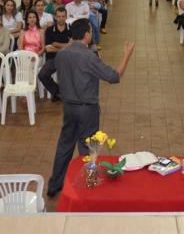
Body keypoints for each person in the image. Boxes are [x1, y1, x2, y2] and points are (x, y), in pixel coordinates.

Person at [47, 19, 134, 197]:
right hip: (87, 109)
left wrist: (58, 92)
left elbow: (43, 74)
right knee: (88, 147)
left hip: (69, 107)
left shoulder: (62, 54)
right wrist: (126, 55)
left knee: (65, 145)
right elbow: (113, 77)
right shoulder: (88, 57)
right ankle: (90, 183)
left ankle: (55, 185)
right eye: (91, 31)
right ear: (86, 34)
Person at [38, 7, 71, 101]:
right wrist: (66, 46)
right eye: (59, 16)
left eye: (63, 16)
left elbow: (73, 48)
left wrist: (56, 44)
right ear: (55, 17)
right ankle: (58, 92)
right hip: (53, 59)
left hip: (67, 59)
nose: (61, 18)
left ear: (66, 17)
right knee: (42, 75)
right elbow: (48, 49)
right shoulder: (49, 30)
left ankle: (66, 93)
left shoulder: (71, 29)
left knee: (67, 74)